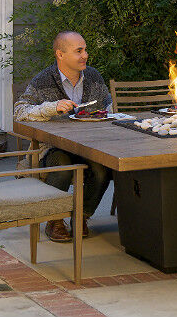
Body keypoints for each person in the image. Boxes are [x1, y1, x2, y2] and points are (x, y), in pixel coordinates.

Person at [14, 31, 113, 242]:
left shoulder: (93, 77)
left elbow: (109, 106)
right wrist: (52, 107)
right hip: (54, 148)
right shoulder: (43, 80)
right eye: (79, 51)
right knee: (62, 165)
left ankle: (82, 217)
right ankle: (55, 220)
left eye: (85, 50)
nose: (85, 55)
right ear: (60, 54)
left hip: (90, 146)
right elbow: (20, 111)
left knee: (102, 170)